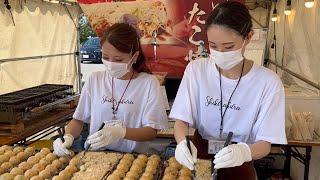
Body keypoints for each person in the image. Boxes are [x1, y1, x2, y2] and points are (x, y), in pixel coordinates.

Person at [170, 1, 287, 179]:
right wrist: (181, 143)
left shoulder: (268, 82)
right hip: (199, 155)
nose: (220, 53)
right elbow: (181, 121)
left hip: (242, 158)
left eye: (229, 47)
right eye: (214, 46)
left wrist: (244, 153)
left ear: (248, 37)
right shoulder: (197, 70)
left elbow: (265, 143)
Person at [53, 23, 168, 155]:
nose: (111, 64)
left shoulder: (148, 83)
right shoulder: (95, 79)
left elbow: (151, 132)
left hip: (133, 157)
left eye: (118, 59)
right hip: (95, 155)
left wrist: (122, 132)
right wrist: (68, 136)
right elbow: (78, 120)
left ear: (134, 57)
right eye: (106, 57)